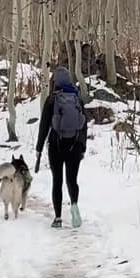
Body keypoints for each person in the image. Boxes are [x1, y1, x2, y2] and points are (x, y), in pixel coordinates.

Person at [35, 66, 88, 228]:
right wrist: (83, 145)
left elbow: (44, 125)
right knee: (72, 180)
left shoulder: (52, 99)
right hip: (75, 144)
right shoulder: (77, 98)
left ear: (56, 81)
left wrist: (39, 147)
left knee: (57, 180)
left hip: (56, 145)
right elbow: (84, 124)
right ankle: (74, 205)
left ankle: (58, 218)